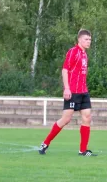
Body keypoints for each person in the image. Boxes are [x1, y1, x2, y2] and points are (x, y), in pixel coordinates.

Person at [38, 29, 97, 157]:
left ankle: (83, 150)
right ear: (79, 40)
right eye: (86, 39)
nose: (89, 42)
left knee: (87, 117)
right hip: (73, 92)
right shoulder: (73, 52)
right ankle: (45, 143)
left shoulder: (85, 55)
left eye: (90, 40)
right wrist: (67, 88)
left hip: (83, 91)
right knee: (66, 119)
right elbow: (65, 70)